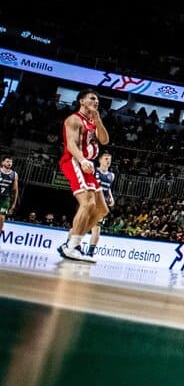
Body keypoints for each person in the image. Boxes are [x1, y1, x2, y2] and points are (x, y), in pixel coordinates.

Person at [57, 89, 109, 262]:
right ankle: (73, 246)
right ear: (81, 101)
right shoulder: (74, 119)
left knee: (102, 209)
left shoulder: (93, 122)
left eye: (98, 99)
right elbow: (71, 144)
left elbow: (104, 140)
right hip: (74, 160)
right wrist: (82, 159)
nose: (96, 101)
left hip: (88, 164)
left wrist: (98, 118)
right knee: (87, 203)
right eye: (92, 98)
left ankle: (71, 241)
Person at [85, 152, 115, 257]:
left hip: (102, 205)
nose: (108, 161)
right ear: (100, 160)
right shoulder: (94, 170)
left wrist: (111, 197)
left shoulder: (112, 175)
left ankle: (90, 253)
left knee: (97, 229)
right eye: (106, 158)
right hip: (91, 202)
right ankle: (70, 244)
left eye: (109, 159)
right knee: (81, 225)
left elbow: (109, 188)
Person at [0, 156, 19, 235]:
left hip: (5, 198)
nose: (9, 163)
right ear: (3, 162)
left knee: (1, 218)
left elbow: (15, 190)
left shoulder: (14, 174)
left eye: (11, 162)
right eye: (7, 161)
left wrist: (14, 203)